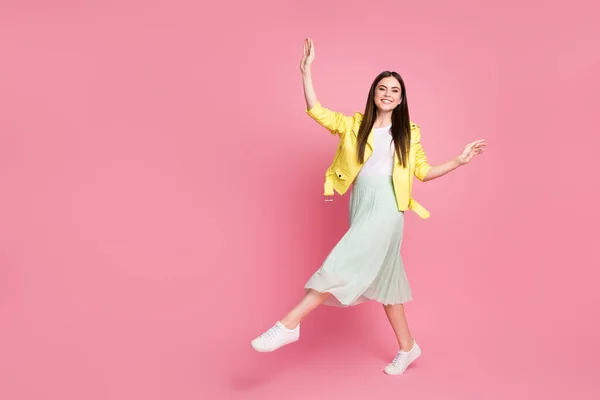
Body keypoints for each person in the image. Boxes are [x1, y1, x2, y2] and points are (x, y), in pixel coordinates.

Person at [250, 38, 487, 375]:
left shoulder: (409, 134)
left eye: (394, 90)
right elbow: (318, 112)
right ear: (374, 93)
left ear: (402, 98)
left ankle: (289, 324)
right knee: (388, 283)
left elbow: (424, 172)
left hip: (389, 208)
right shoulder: (354, 125)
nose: (388, 93)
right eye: (382, 88)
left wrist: (459, 161)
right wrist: (306, 72)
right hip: (361, 203)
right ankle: (408, 347)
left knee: (342, 260)